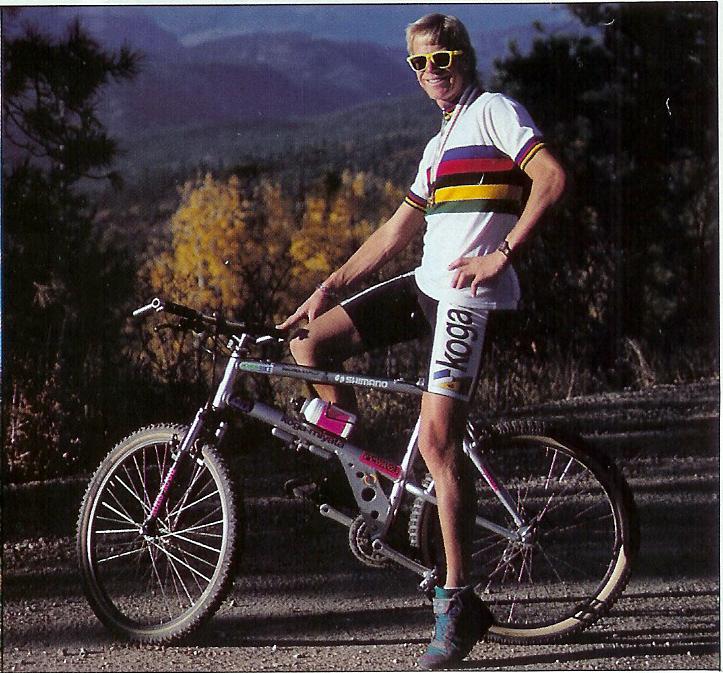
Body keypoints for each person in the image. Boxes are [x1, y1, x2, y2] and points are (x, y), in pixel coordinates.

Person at [278, 12, 566, 670]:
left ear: (464, 56)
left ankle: (457, 602)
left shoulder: (494, 111)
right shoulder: (438, 144)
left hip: (467, 296)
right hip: (424, 286)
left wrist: (502, 255)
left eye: (443, 58)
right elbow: (393, 232)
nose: (432, 71)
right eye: (419, 63)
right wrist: (327, 288)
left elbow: (550, 178)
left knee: (438, 444)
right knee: (310, 345)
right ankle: (362, 479)